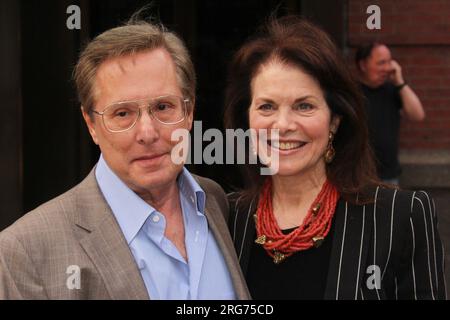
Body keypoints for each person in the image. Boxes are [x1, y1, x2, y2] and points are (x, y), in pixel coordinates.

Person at [0, 17, 249, 300]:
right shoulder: (26, 251)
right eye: (122, 113)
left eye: (163, 107)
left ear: (189, 112)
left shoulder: (216, 203)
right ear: (91, 124)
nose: (147, 132)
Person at [224, 16, 446, 300]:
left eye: (304, 105)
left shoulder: (401, 216)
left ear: (335, 120)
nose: (283, 125)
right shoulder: (226, 219)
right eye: (267, 106)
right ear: (247, 119)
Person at [355, 42, 426, 184]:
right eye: (381, 63)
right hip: (357, 175)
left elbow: (418, 115)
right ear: (363, 65)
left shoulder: (393, 90)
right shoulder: (351, 92)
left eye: (389, 62)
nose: (387, 68)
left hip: (388, 175)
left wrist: (399, 82)